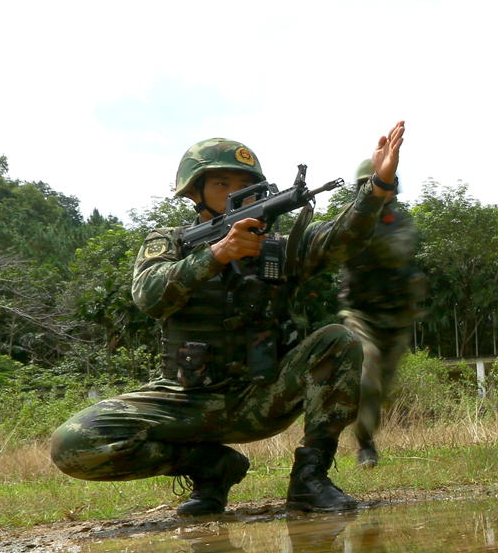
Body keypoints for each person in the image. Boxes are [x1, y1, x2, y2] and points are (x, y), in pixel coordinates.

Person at [50, 122, 405, 515]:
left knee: (339, 339)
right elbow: (149, 297)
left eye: (243, 183)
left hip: (263, 395)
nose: (234, 192)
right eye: (222, 183)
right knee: (73, 442)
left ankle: (310, 479)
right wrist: (217, 255)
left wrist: (376, 188)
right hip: (186, 401)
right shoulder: (168, 242)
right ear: (193, 191)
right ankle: (213, 470)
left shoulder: (276, 249)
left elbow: (342, 239)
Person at [338, 160, 427, 468]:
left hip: (398, 316)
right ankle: (365, 444)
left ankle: (367, 433)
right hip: (363, 315)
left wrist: (366, 224)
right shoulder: (348, 219)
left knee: (383, 387)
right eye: (371, 183)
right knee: (367, 376)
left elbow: (397, 252)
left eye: (383, 183)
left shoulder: (400, 221)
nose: (377, 189)